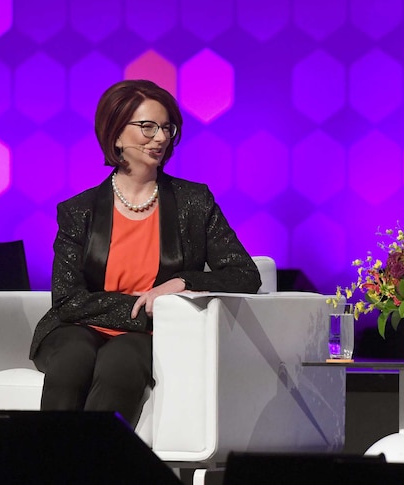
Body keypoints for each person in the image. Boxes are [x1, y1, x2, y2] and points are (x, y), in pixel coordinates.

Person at [28, 79, 261, 427]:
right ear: (116, 134)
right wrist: (140, 307)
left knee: (119, 365)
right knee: (72, 359)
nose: (161, 138)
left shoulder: (194, 203)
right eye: (147, 127)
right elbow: (67, 300)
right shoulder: (80, 210)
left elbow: (245, 275)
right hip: (78, 328)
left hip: (147, 335)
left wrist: (182, 283)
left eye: (167, 128)